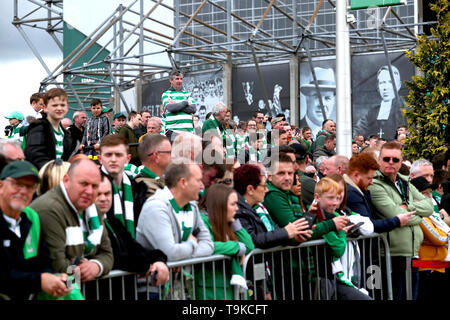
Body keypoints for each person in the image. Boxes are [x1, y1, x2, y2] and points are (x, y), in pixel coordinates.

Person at [29, 158, 114, 282]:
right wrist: (82, 271)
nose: (89, 191)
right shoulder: (50, 209)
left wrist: (96, 266)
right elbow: (58, 266)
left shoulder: (93, 208)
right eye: (83, 184)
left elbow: (108, 254)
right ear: (66, 180)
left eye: (94, 186)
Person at [368, 141, 434, 300]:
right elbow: (395, 214)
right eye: (386, 159)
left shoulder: (405, 182)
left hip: (412, 253)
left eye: (395, 160)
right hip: (390, 256)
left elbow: (429, 206)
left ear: (400, 162)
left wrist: (407, 207)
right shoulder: (375, 184)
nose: (390, 163)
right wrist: (415, 214)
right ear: (379, 161)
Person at [0, 160, 72, 300]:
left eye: (30, 186)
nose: (23, 191)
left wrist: (55, 277)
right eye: (18, 184)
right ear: (1, 185)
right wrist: (40, 280)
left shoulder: (30, 220)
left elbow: (43, 261)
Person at [95, 172, 169, 286]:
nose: (103, 199)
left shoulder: (114, 222)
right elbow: (113, 258)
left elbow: (136, 248)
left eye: (107, 193)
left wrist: (158, 259)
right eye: (98, 194)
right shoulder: (83, 224)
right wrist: (144, 264)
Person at [136, 161, 213, 262]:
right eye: (198, 180)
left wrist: (182, 253)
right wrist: (193, 243)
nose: (202, 186)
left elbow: (209, 245)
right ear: (183, 182)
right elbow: (169, 253)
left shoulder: (192, 205)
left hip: (181, 277)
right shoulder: (156, 208)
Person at [312, 177, 372, 300]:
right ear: (317, 197)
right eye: (330, 198)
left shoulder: (335, 214)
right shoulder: (318, 215)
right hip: (323, 277)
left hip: (335, 277)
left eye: (337, 198)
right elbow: (338, 248)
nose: (335, 203)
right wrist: (342, 233)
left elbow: (368, 227)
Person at [197, 184, 255, 300]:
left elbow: (249, 246)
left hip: (227, 285)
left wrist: (235, 224)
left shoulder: (227, 221)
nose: (237, 208)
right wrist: (237, 247)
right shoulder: (202, 220)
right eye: (233, 204)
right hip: (211, 288)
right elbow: (207, 246)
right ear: (220, 205)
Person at [344, 153, 412, 234]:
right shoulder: (352, 193)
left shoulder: (356, 190)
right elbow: (367, 225)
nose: (371, 182)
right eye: (369, 178)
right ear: (356, 175)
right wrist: (397, 220)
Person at [98, 134, 148, 238]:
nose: (113, 159)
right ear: (100, 159)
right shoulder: (92, 188)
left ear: (128, 159)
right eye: (108, 155)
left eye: (118, 155)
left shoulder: (138, 190)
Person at [24, 88, 76, 170]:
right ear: (45, 107)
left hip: (61, 179)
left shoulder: (66, 133)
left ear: (67, 107)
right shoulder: (38, 127)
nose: (59, 108)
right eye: (54, 105)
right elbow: (35, 156)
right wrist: (54, 171)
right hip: (43, 178)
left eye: (62, 105)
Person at [353, 65, 407, 140]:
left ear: (398, 85)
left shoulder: (405, 109)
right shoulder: (372, 112)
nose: (385, 87)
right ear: (378, 87)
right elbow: (358, 131)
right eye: (382, 83)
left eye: (390, 82)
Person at [300, 67, 336, 139]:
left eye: (327, 98)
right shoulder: (296, 130)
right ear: (307, 98)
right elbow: (274, 149)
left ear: (333, 101)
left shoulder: (339, 134)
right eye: (317, 97)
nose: (322, 104)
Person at [162, 70, 196, 140]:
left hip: (188, 133)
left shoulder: (187, 93)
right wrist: (185, 103)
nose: (180, 81)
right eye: (177, 79)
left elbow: (193, 109)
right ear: (171, 81)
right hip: (174, 132)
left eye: (181, 79)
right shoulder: (166, 94)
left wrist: (175, 104)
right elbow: (171, 108)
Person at [135, 134, 171, 198]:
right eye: (169, 152)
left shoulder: (161, 181)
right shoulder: (146, 189)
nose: (172, 156)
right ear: (157, 156)